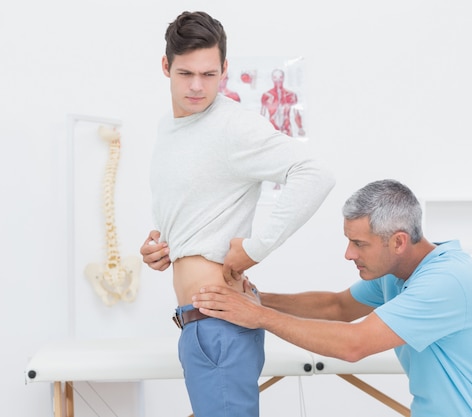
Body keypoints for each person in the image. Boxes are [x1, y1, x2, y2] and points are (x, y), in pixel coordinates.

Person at [139, 11, 334, 417]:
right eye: (186, 73)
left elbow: (316, 174)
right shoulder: (168, 131)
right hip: (199, 324)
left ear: (225, 70)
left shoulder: (232, 126)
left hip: (219, 324)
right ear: (165, 67)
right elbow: (198, 213)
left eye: (209, 74)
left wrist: (256, 248)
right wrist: (163, 247)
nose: (197, 86)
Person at [191, 179, 472, 417]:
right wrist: (258, 298)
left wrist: (258, 316)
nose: (348, 254)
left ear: (398, 241)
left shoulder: (446, 281)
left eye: (359, 244)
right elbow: (337, 306)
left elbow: (354, 344)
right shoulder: (395, 274)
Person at [260, 68, 305, 137]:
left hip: (287, 129)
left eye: (280, 77)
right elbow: (262, 115)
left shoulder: (291, 95)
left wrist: (300, 127)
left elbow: (296, 113)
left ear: (283, 78)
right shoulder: (266, 95)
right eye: (275, 77)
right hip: (272, 130)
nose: (278, 80)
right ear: (272, 78)